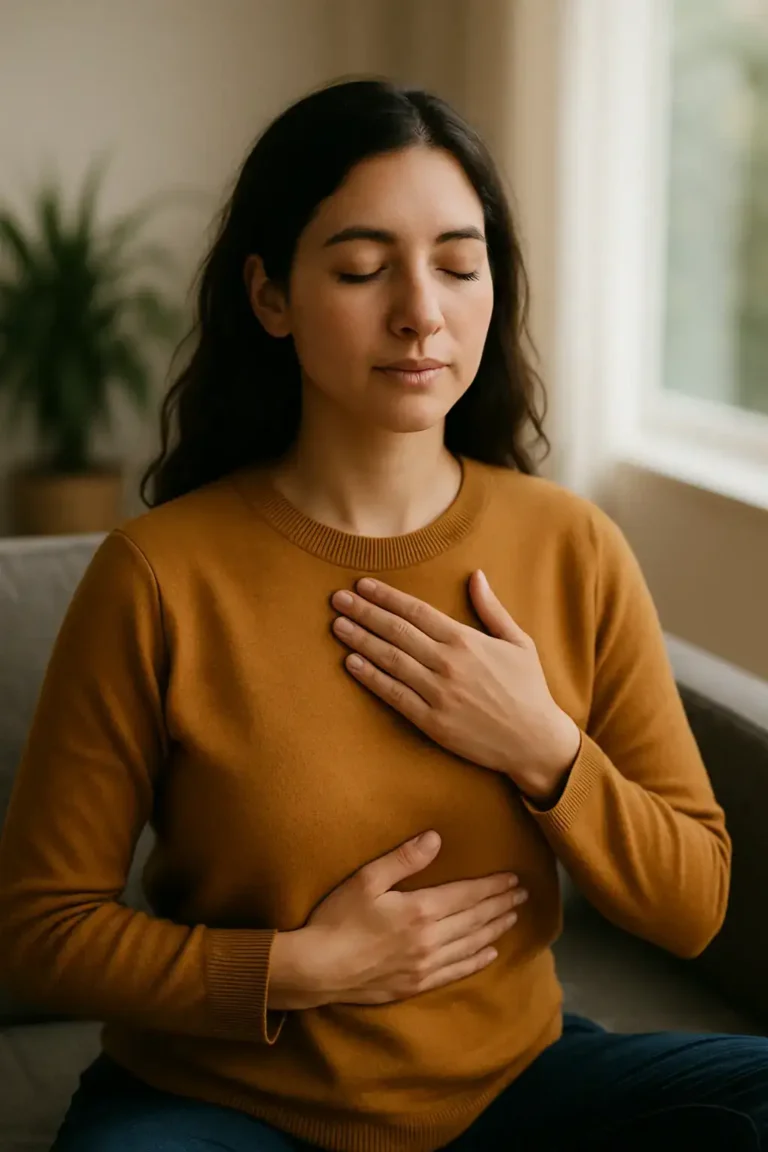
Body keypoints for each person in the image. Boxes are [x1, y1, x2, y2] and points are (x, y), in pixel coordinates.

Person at [0, 77, 765, 1152]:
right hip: (221, 1108)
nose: (421, 312)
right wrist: (302, 968)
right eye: (363, 268)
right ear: (270, 297)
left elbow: (695, 903)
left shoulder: (572, 545)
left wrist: (542, 746)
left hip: (514, 1093)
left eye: (459, 263)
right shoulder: (158, 575)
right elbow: (37, 934)